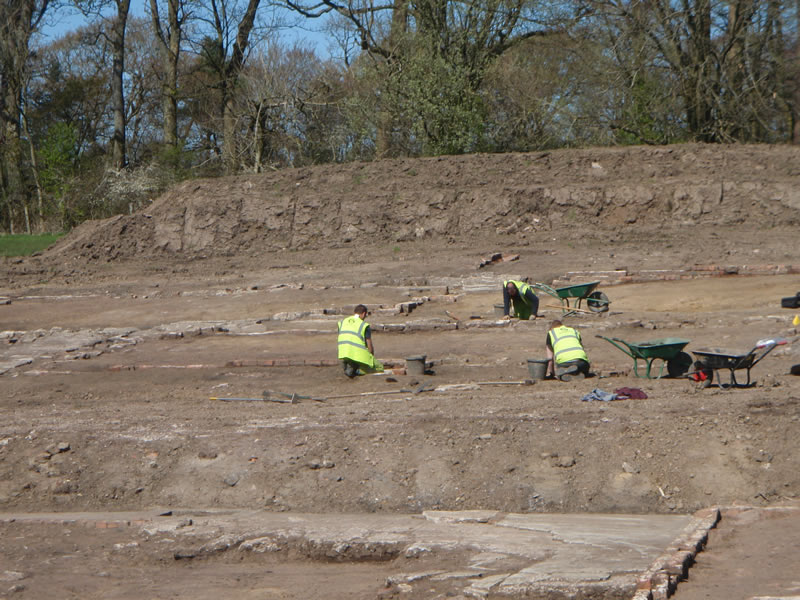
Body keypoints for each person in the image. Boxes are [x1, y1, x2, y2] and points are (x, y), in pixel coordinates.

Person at [337, 304, 384, 378]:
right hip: (357, 354)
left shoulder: (343, 322)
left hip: (343, 352)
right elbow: (369, 346)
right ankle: (358, 370)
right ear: (364, 313)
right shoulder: (364, 325)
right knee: (379, 368)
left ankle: (349, 363)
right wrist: (371, 358)